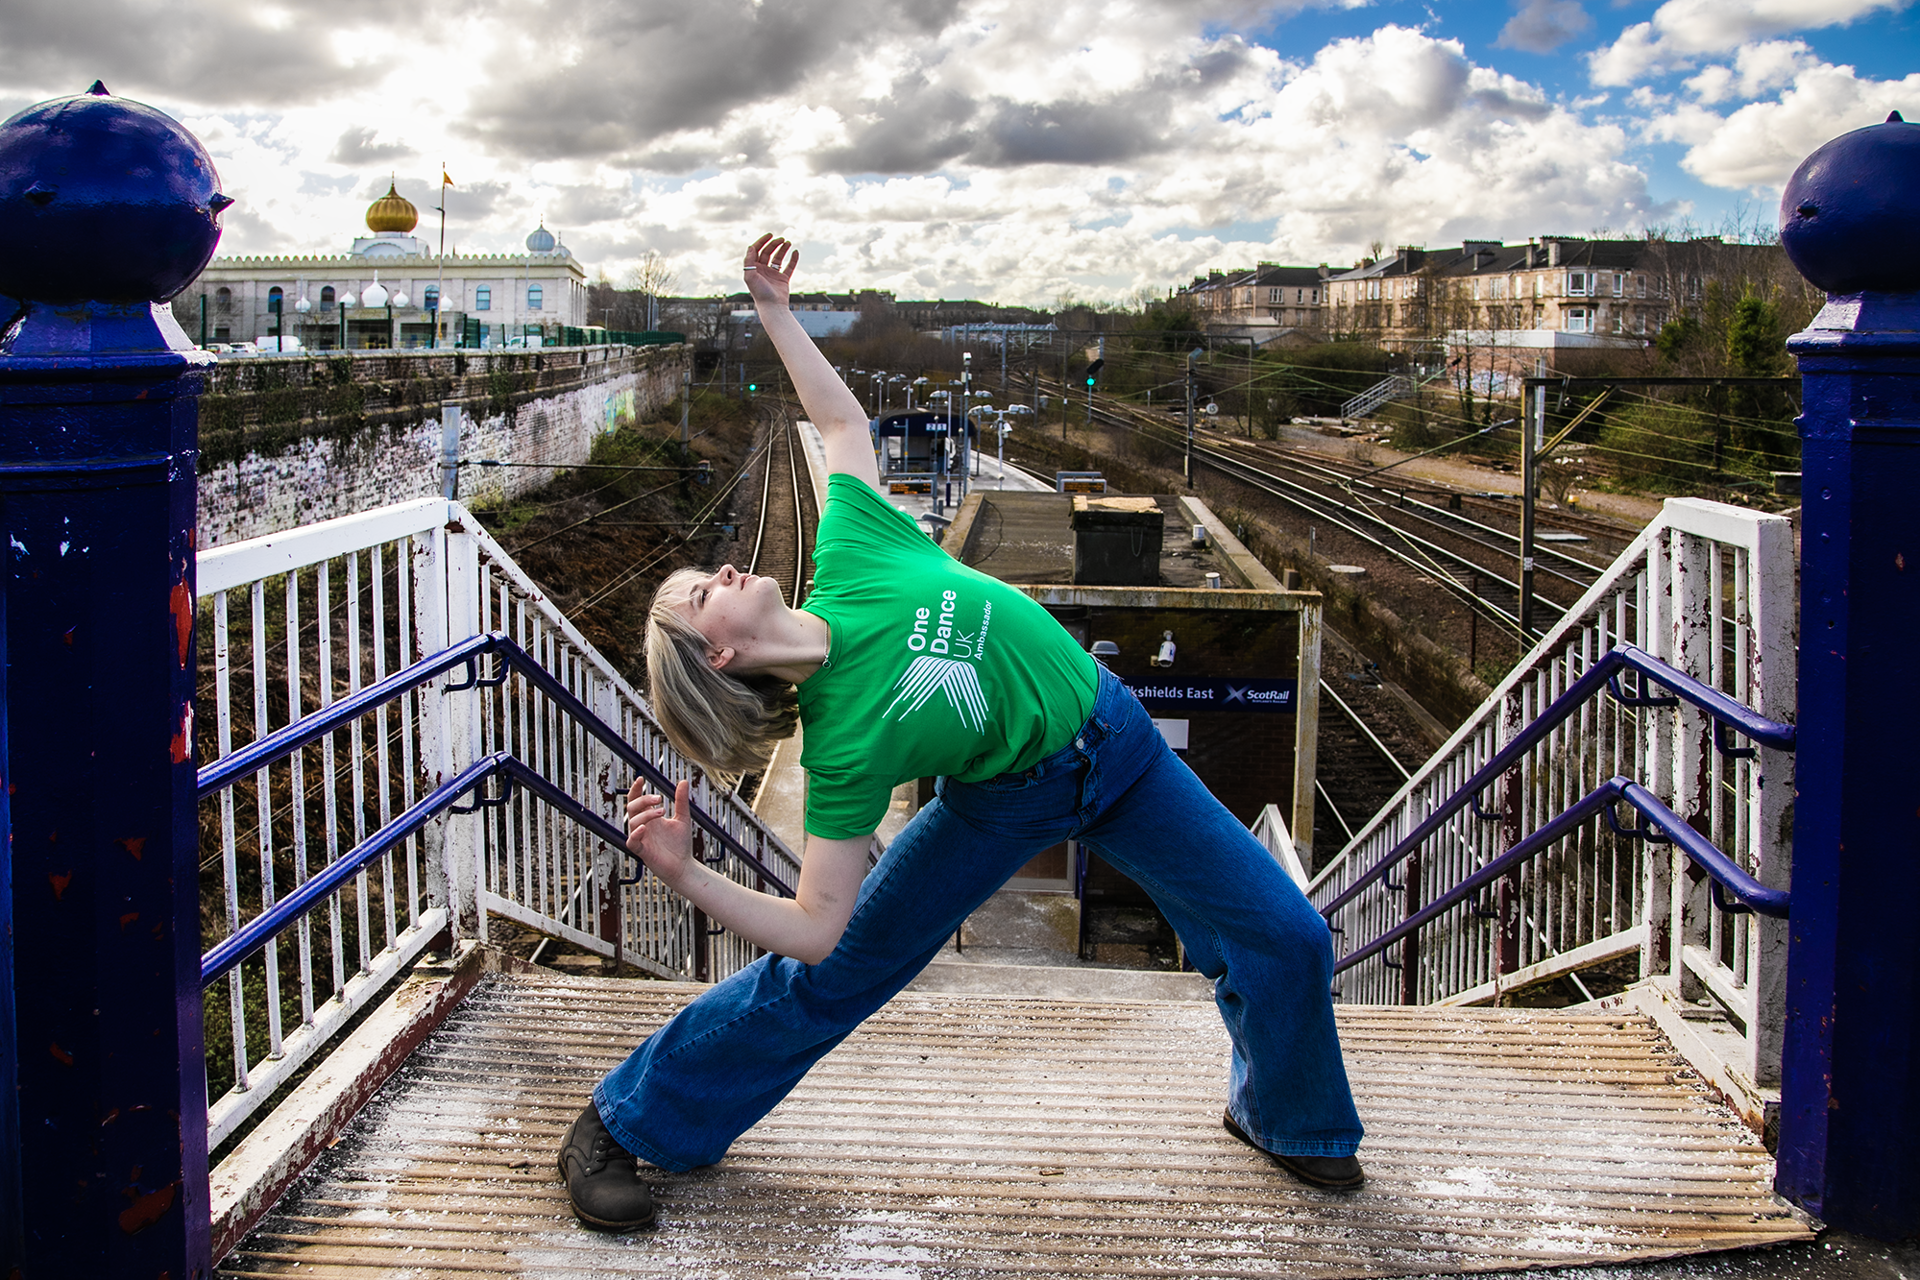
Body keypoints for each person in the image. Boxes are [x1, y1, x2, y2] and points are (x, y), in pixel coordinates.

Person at [554, 234, 1365, 1233]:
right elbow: (813, 927)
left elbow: (841, 419)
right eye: (697, 598)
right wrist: (687, 876)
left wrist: (772, 311)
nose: (717, 574)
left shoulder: (850, 549)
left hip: (1117, 742)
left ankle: (1287, 1119)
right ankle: (620, 1118)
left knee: (1287, 933)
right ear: (717, 658)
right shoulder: (839, 745)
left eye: (707, 571)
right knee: (831, 974)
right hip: (1005, 798)